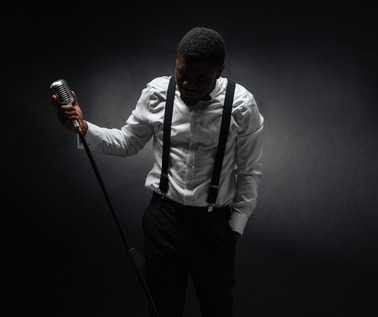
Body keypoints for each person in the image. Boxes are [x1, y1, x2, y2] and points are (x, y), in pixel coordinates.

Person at [51, 26, 264, 317]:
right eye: (182, 74)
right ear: (177, 62)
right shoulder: (157, 93)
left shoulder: (241, 104)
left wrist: (236, 225)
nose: (188, 84)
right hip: (163, 221)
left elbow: (249, 170)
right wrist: (84, 128)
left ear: (220, 71)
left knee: (217, 308)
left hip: (213, 225)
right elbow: (127, 142)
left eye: (201, 79)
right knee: (161, 309)